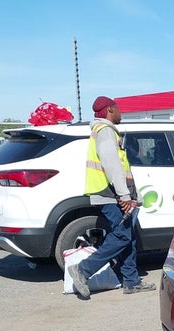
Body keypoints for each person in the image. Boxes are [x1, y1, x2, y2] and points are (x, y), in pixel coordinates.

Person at [67, 96, 156, 299]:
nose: (120, 113)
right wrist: (124, 195)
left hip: (114, 194)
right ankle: (83, 270)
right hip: (110, 195)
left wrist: (133, 195)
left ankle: (131, 281)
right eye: (118, 109)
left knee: (128, 237)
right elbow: (112, 164)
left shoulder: (103, 131)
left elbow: (122, 167)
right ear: (110, 110)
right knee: (123, 236)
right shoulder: (105, 131)